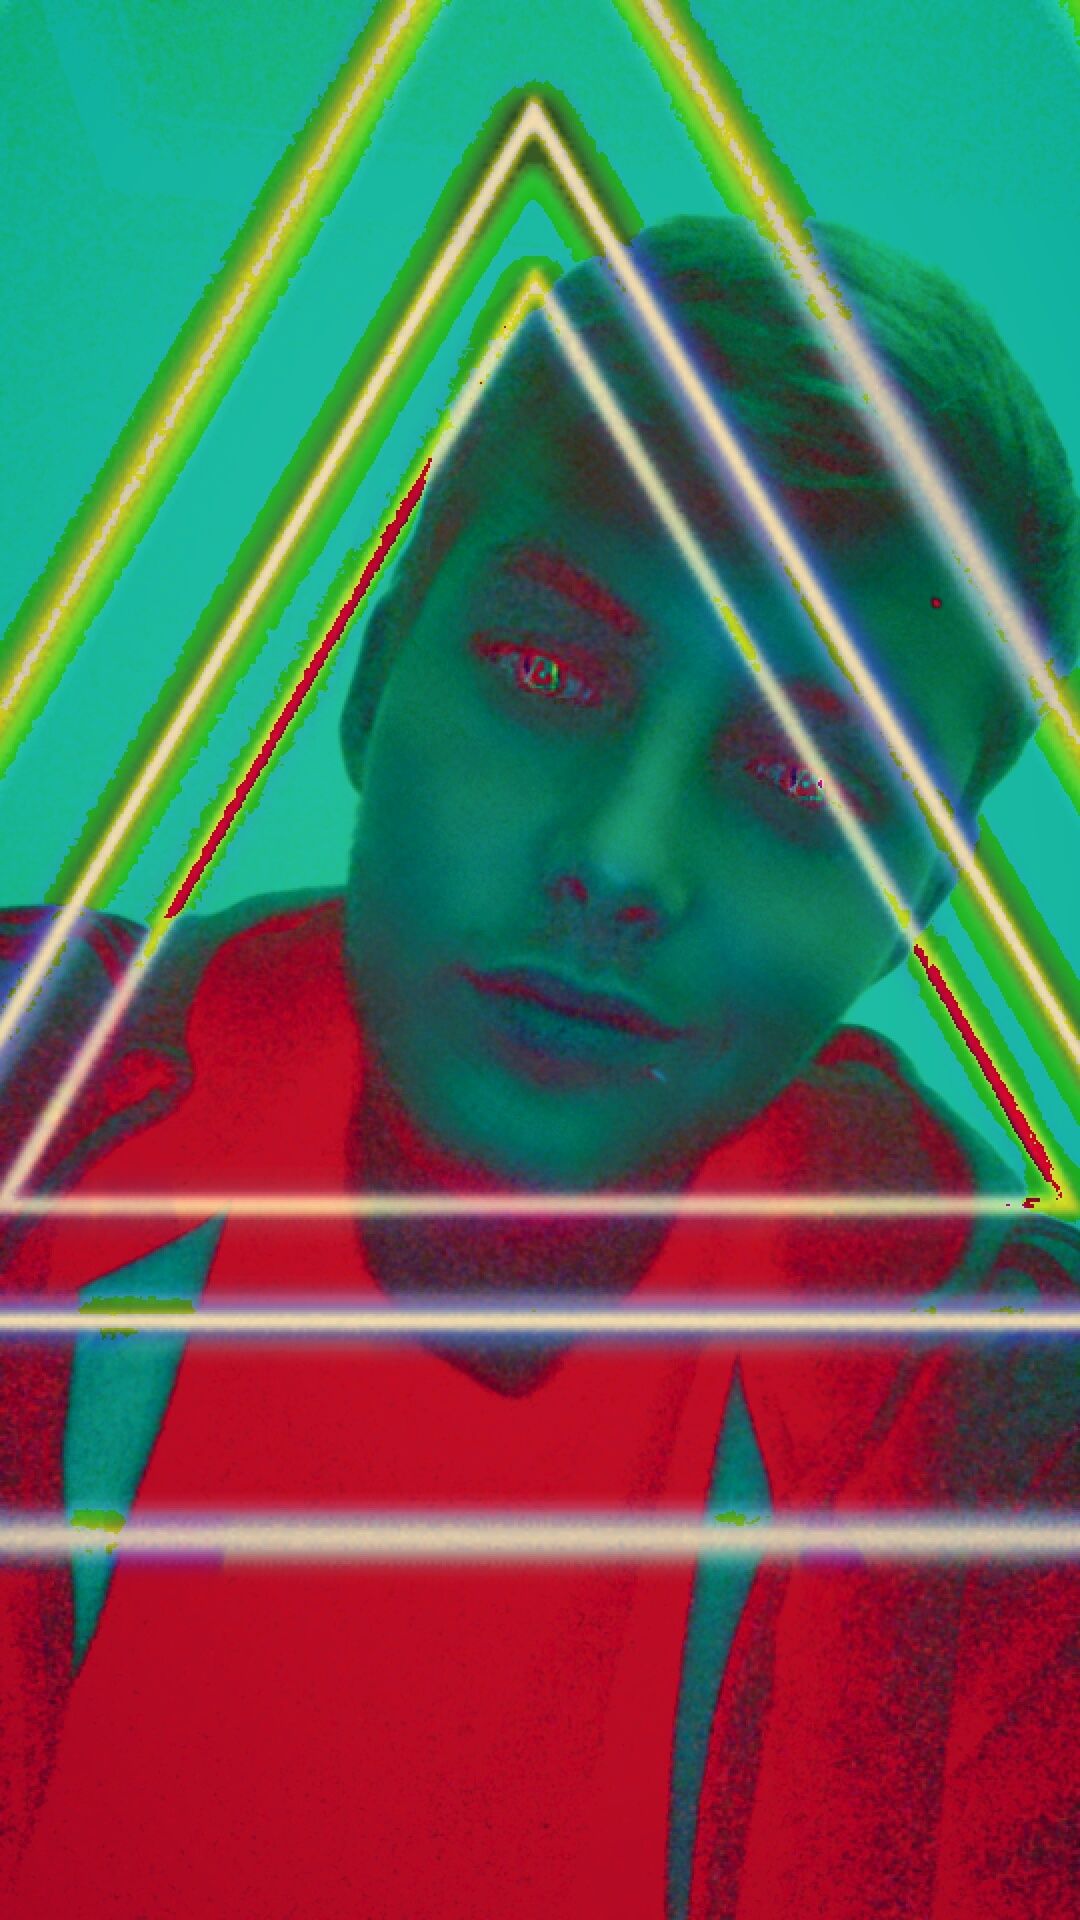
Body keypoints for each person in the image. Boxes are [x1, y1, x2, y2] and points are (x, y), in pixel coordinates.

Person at [1, 216, 1077, 1916]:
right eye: (548, 667)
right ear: (374, 675)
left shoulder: (1016, 1457)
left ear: (917, 903)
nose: (623, 860)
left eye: (803, 779)